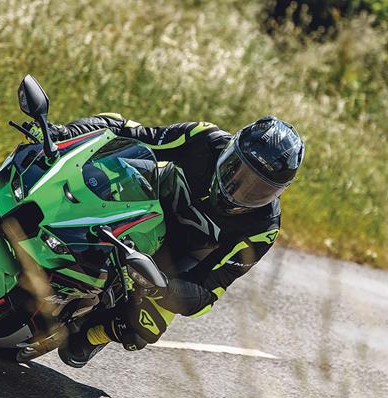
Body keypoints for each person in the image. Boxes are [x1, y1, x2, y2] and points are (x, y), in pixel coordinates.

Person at [46, 113, 305, 366]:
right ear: (229, 149)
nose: (240, 190)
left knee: (142, 327)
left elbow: (209, 290)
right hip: (148, 201)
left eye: (260, 189)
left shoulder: (263, 228)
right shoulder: (203, 138)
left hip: (178, 258)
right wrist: (68, 134)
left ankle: (93, 334)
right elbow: (128, 131)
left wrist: (162, 287)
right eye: (236, 171)